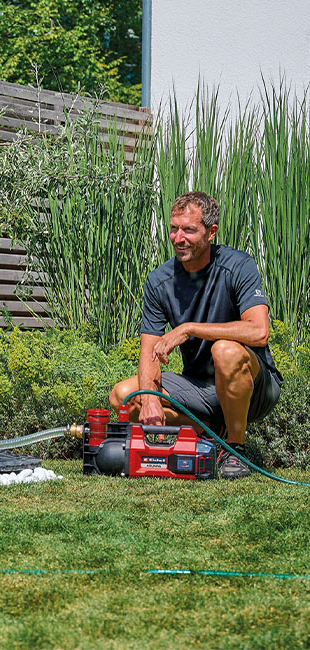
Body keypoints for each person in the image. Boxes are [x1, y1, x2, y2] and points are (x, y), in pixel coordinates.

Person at [109, 191, 282, 479]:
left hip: (253, 386)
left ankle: (235, 451)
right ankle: (209, 430)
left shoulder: (238, 265)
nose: (179, 238)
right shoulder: (159, 281)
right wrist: (151, 400)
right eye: (174, 228)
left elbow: (259, 331)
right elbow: (149, 349)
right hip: (199, 388)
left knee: (225, 350)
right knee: (125, 397)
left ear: (211, 232)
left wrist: (188, 328)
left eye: (189, 229)